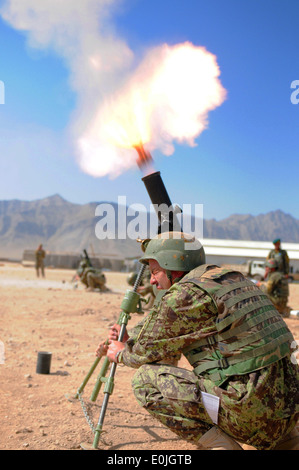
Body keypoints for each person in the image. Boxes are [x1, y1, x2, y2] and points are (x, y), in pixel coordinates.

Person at [96, 232, 299, 450]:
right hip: (289, 409)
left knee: (145, 381)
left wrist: (120, 352)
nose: (152, 280)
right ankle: (285, 440)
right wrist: (132, 337)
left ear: (173, 267)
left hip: (251, 414)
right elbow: (165, 334)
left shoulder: (185, 294)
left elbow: (141, 353)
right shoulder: (232, 279)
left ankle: (221, 446)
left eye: (155, 272)